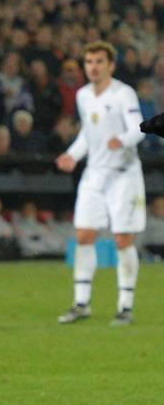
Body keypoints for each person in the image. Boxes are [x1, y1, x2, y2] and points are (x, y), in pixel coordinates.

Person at [55, 41, 146, 326]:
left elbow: (138, 129)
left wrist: (123, 140)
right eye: (89, 62)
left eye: (99, 62)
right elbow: (88, 134)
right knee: (83, 235)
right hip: (94, 173)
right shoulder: (83, 96)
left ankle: (125, 306)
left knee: (122, 239)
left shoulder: (123, 94)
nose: (93, 67)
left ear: (111, 66)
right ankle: (81, 303)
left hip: (123, 173)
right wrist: (72, 155)